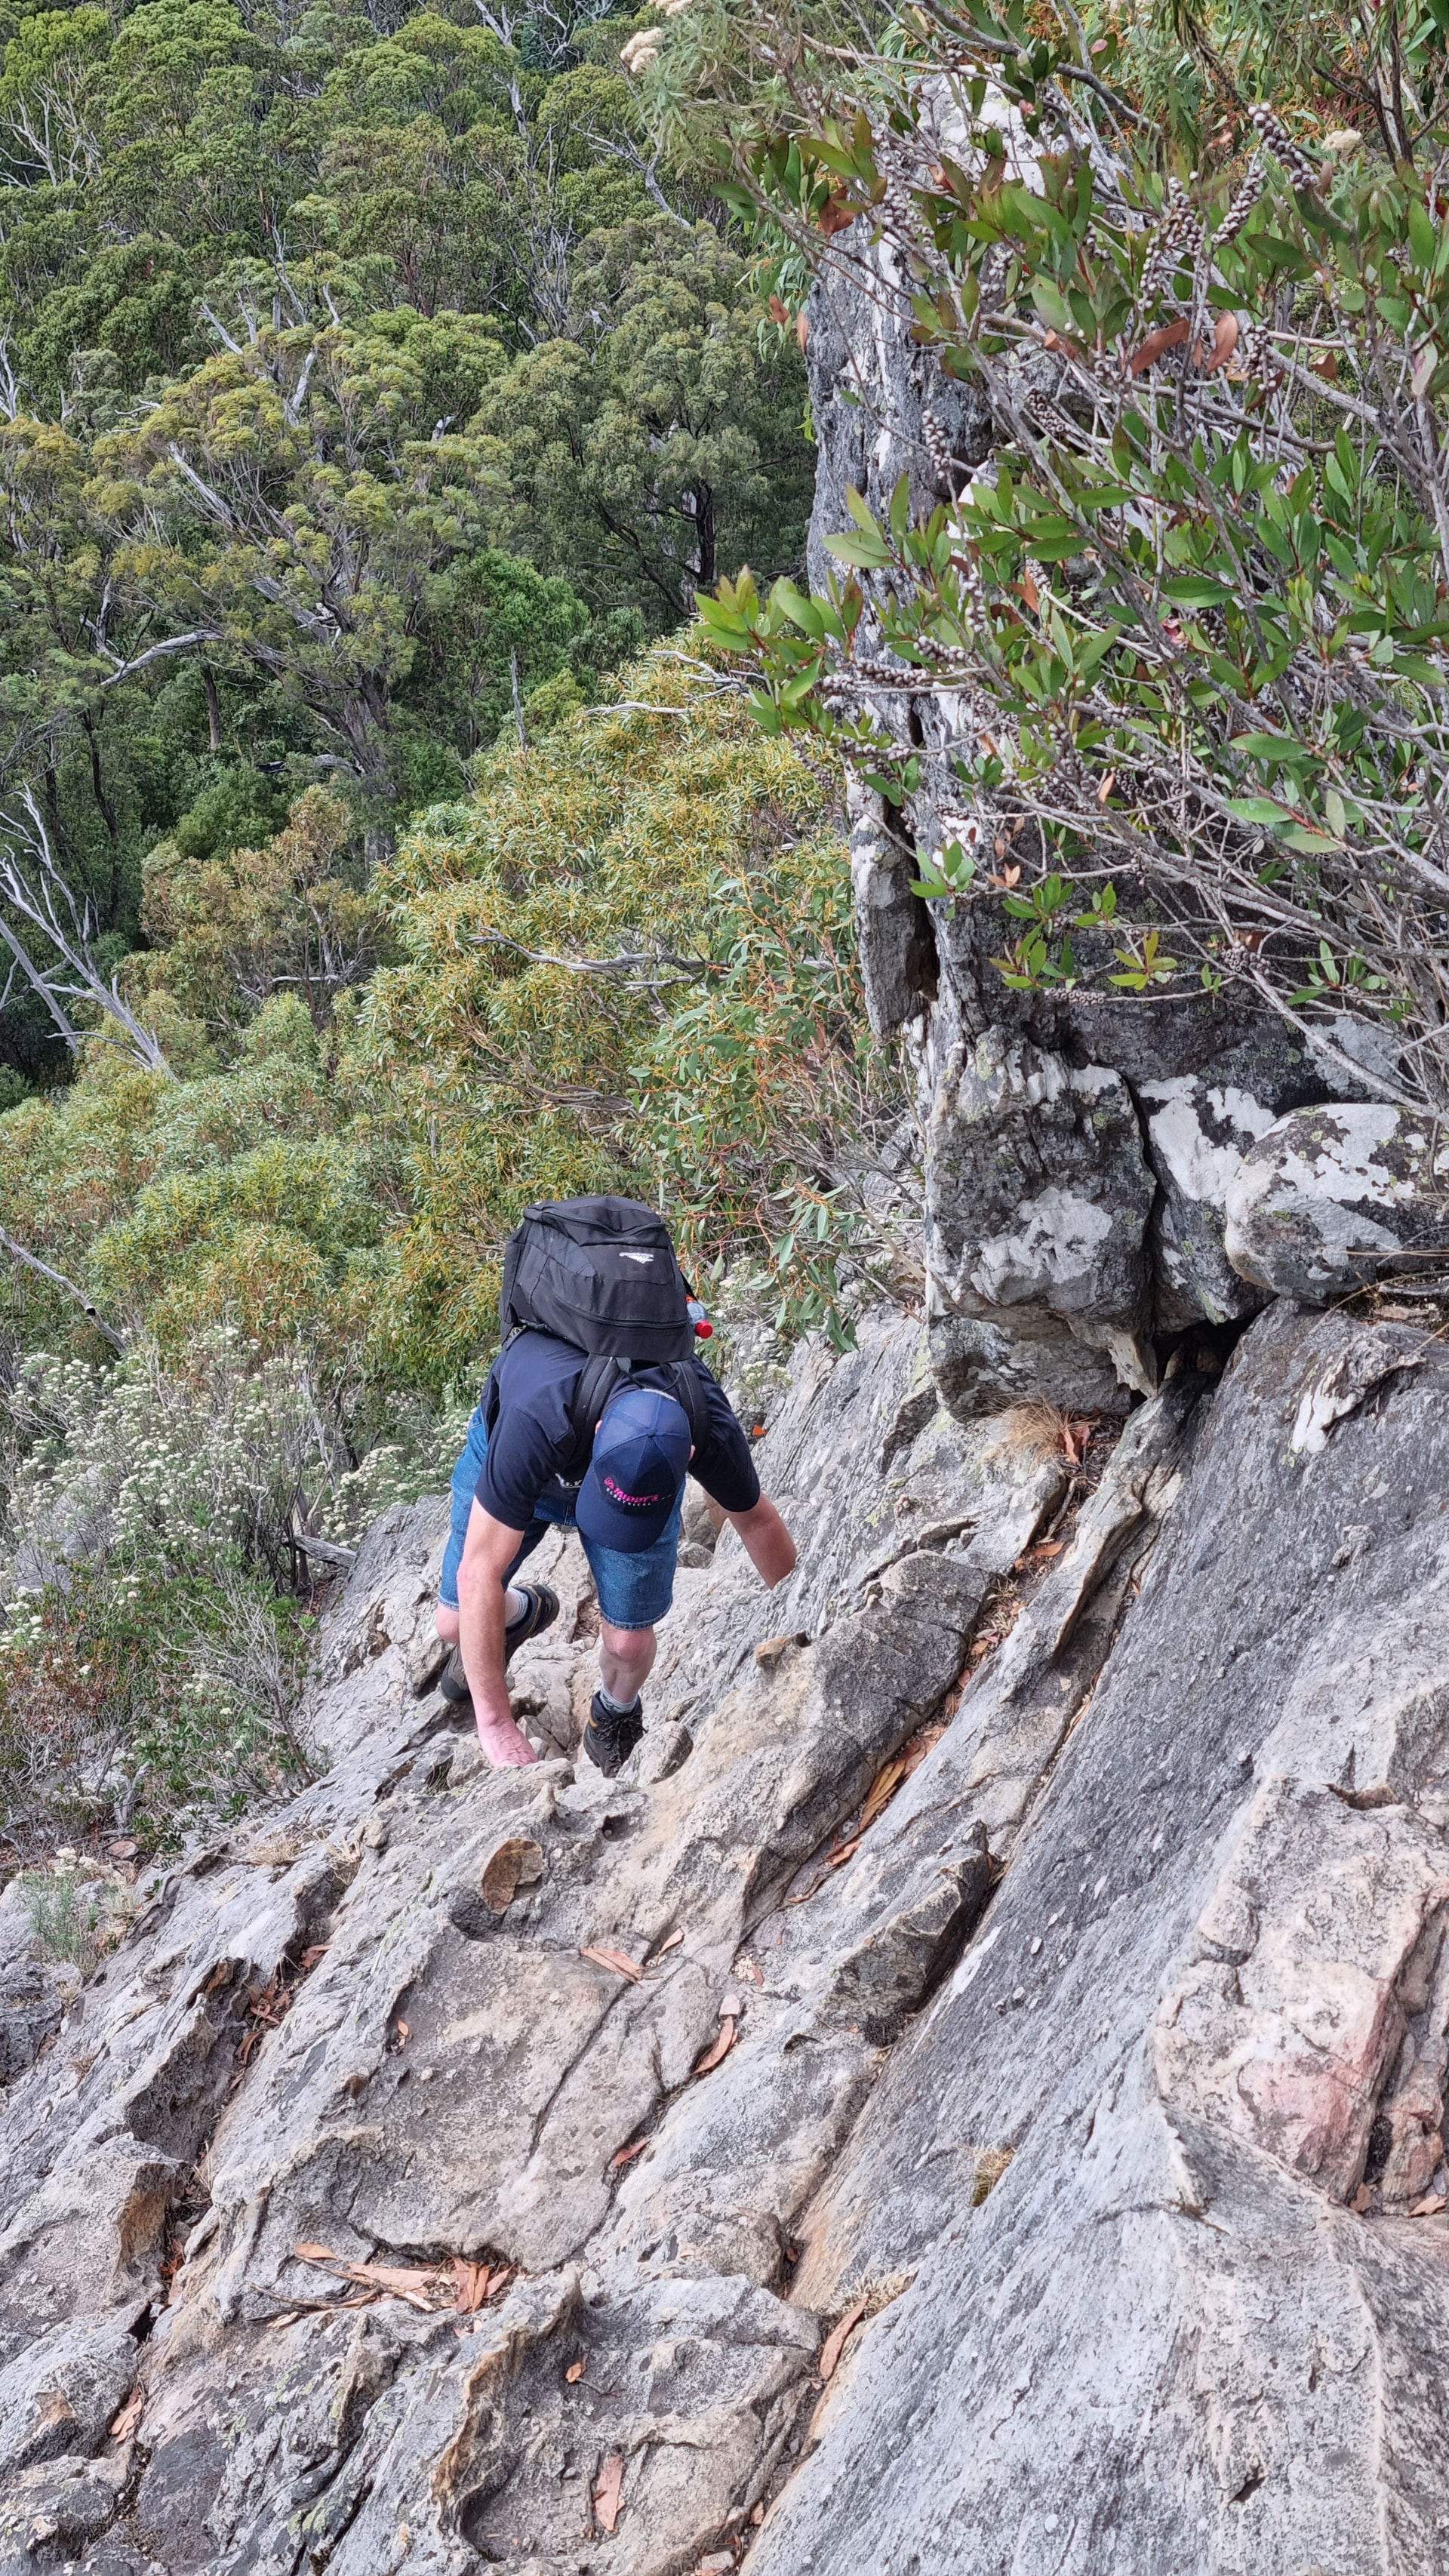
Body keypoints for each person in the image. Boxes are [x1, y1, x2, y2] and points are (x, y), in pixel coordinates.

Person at [435, 1328, 798, 1772]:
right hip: (530, 1459)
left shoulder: (705, 1419)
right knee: (455, 1622)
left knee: (629, 1641)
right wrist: (495, 1724)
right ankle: (517, 1615)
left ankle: (614, 1712)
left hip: (625, 1475)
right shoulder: (536, 1415)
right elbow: (478, 1573)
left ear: (688, 1454)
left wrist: (801, 1624)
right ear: (599, 1430)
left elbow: (757, 1520)